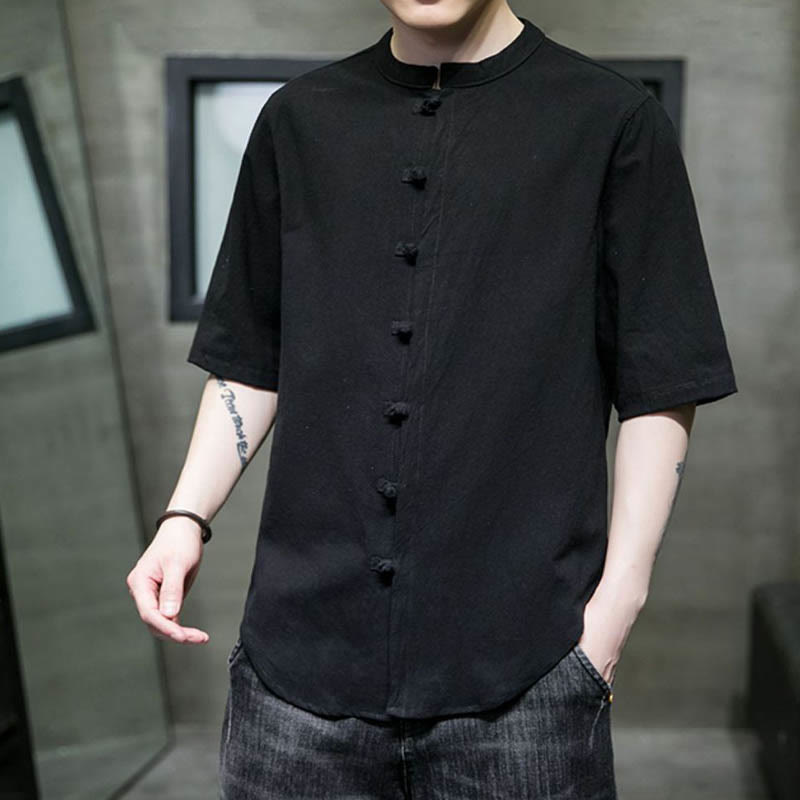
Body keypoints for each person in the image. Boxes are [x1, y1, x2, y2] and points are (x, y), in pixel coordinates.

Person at [126, 1, 738, 797]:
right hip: (296, 676)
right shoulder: (298, 120)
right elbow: (249, 355)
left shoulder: (613, 121)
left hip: (526, 676)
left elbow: (660, 386)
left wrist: (614, 611)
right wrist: (184, 518)